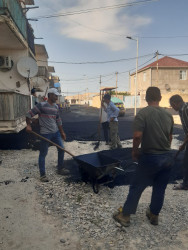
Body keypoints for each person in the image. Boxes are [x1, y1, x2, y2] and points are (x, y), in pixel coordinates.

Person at [113, 87, 174, 227]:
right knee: (159, 188)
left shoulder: (143, 114)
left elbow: (137, 136)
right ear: (159, 98)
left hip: (150, 157)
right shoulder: (168, 115)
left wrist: (134, 152)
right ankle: (154, 215)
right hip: (167, 158)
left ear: (146, 98)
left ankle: (125, 215)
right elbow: (170, 138)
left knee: (137, 186)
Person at [26, 88, 67, 182]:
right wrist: (28, 125)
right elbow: (28, 114)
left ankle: (60, 168)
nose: (57, 97)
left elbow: (58, 120)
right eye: (55, 95)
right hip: (45, 134)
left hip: (56, 133)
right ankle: (43, 175)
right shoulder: (42, 105)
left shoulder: (56, 107)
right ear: (50, 95)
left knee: (61, 149)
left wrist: (62, 132)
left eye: (57, 95)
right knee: (43, 154)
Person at [169, 94, 188, 190]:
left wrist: (183, 144)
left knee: (186, 162)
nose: (172, 108)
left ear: (175, 103)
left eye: (172, 106)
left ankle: (185, 184)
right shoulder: (183, 109)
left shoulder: (185, 110)